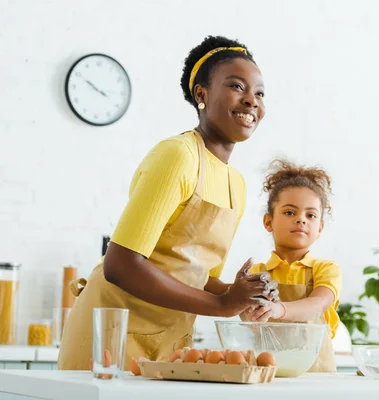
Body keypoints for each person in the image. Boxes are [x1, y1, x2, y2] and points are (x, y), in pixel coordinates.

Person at [58, 35, 276, 370]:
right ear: (201, 94)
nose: (251, 101)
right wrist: (221, 305)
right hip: (111, 335)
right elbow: (121, 265)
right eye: (237, 87)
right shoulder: (178, 156)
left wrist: (241, 294)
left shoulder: (238, 184)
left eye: (259, 93)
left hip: (170, 341)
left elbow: (198, 277)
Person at [242, 159, 342, 372]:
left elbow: (318, 304)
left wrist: (278, 308)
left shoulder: (326, 269)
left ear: (320, 227)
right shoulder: (257, 273)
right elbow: (246, 321)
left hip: (318, 379)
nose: (301, 220)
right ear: (268, 222)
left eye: (311, 215)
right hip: (270, 376)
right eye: (290, 212)